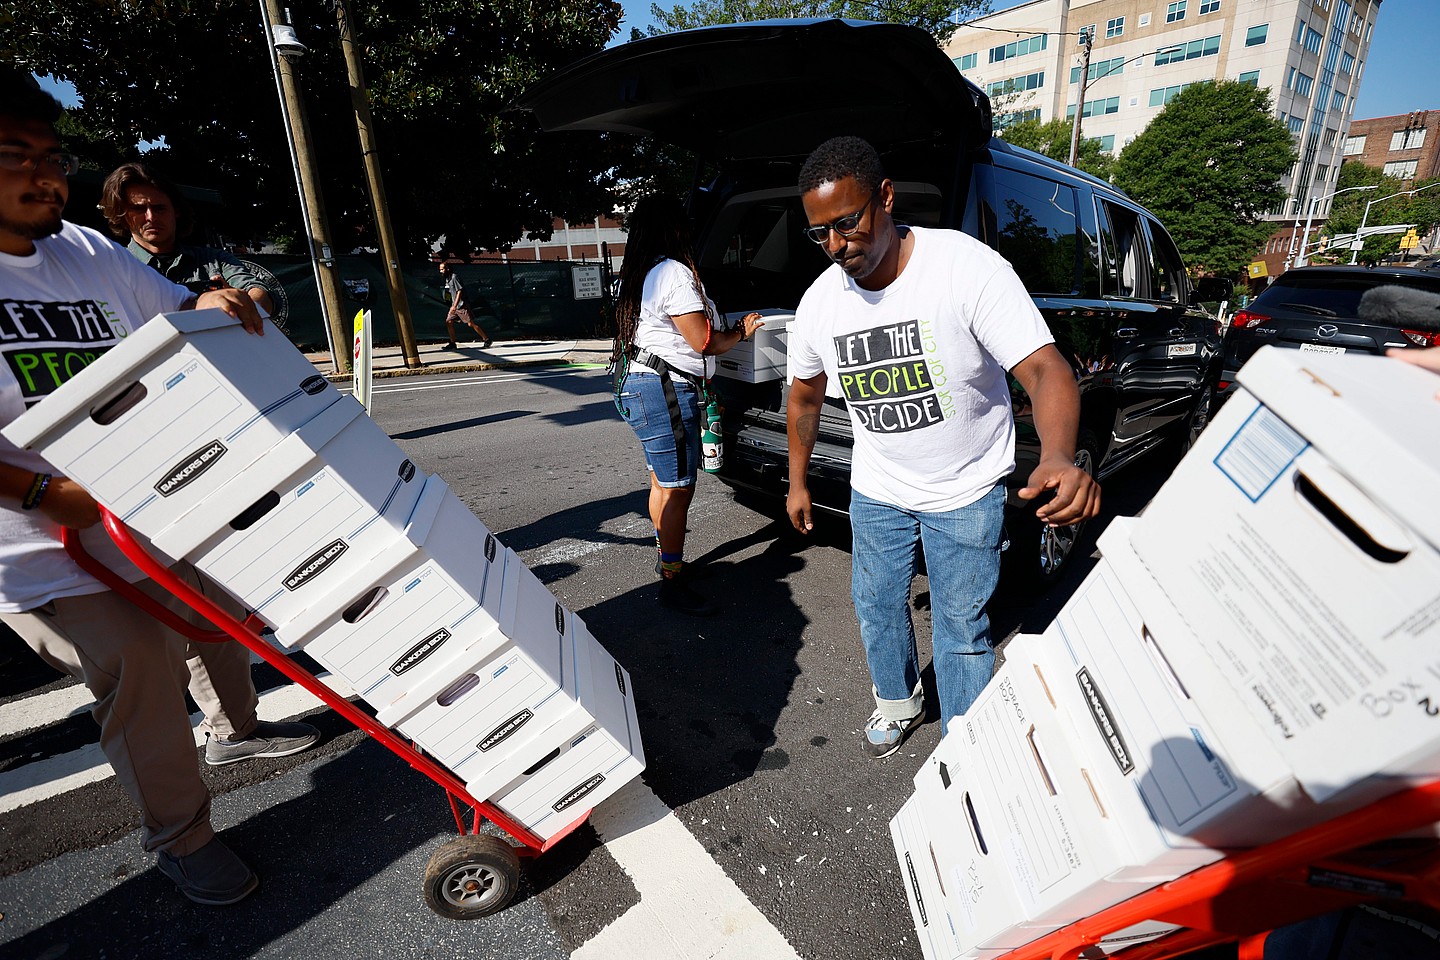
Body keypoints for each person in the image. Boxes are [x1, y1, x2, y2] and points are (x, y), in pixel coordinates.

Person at [0, 69, 318, 906]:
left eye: (49, 155)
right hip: (40, 543)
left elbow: (180, 310)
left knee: (218, 612)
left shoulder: (88, 252)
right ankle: (182, 838)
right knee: (140, 659)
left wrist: (221, 299)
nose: (42, 174)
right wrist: (40, 497)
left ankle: (234, 733)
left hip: (140, 511)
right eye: (13, 156)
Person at [785, 137, 1101, 757]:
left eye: (847, 223)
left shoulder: (965, 268)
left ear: (884, 197)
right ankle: (898, 703)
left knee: (960, 626)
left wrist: (1059, 454)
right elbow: (803, 398)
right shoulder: (820, 302)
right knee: (875, 604)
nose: (835, 245)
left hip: (966, 487)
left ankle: (968, 742)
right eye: (818, 232)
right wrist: (798, 482)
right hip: (878, 486)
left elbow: (1045, 371)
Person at [610, 194, 764, 616]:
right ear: (677, 229)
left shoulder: (644, 271)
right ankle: (673, 580)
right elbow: (705, 341)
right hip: (663, 391)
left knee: (663, 484)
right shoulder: (673, 273)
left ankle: (669, 564)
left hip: (643, 385)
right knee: (678, 488)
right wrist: (742, 332)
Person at [99, 161, 275, 314]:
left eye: (159, 208)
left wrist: (242, 305)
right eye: (138, 209)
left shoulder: (215, 260)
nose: (151, 217)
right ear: (121, 215)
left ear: (176, 210)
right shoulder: (112, 268)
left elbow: (261, 294)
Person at [438, 259, 490, 349]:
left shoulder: (454, 277)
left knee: (470, 324)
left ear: (448, 269)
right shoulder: (447, 279)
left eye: (442, 269)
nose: (441, 271)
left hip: (461, 305)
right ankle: (453, 343)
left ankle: (486, 339)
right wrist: (449, 302)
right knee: (449, 321)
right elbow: (449, 291)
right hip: (454, 306)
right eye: (440, 270)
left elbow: (459, 291)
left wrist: (455, 305)